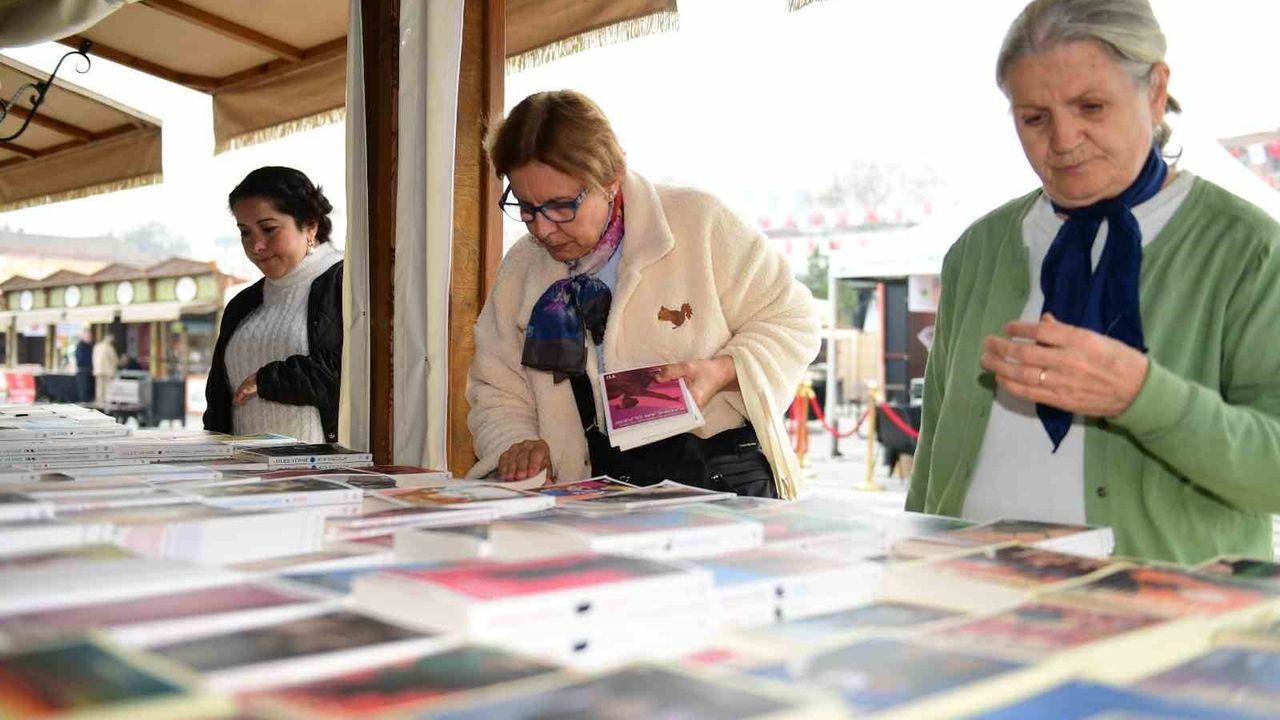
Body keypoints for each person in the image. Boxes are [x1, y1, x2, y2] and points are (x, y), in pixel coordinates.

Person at [907, 0, 1280, 564]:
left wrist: (1141, 396)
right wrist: (913, 569)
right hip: (969, 603)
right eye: (1034, 117)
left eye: (1091, 106)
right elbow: (935, 444)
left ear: (1155, 92)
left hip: (1161, 624)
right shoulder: (977, 251)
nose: (1062, 140)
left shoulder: (1249, 250)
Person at [466, 90, 820, 498]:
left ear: (611, 178)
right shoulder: (523, 268)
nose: (543, 229)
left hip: (715, 487)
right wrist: (515, 442)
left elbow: (795, 320)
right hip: (593, 498)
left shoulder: (698, 223)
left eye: (562, 206)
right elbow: (496, 386)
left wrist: (723, 372)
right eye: (526, 207)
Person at [204, 166, 343, 444]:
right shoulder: (242, 304)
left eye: (269, 229)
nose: (256, 246)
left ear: (311, 226)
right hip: (245, 476)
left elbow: (348, 372)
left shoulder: (345, 285)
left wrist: (267, 380)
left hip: (323, 476)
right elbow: (219, 400)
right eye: (245, 232)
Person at [91, 333, 117, 407]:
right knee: (107, 387)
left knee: (99, 387)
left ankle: (99, 401)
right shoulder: (109, 347)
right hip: (107, 371)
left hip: (98, 370)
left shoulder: (97, 346)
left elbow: (93, 358)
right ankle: (106, 402)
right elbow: (114, 359)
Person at [73, 328, 93, 403]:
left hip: (87, 369)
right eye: (89, 336)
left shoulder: (88, 346)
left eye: (90, 336)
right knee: (84, 388)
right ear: (84, 336)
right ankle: (84, 402)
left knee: (87, 388)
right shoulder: (81, 346)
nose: (90, 337)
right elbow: (82, 358)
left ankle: (85, 401)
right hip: (83, 370)